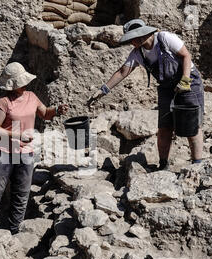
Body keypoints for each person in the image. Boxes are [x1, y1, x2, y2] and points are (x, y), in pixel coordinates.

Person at [88, 19, 205, 171]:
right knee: (164, 127)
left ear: (143, 35)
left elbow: (186, 56)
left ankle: (197, 165)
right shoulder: (138, 53)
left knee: (191, 124)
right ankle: (163, 165)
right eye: (130, 40)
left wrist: (185, 81)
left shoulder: (165, 39)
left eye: (133, 39)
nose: (132, 43)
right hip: (166, 87)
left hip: (188, 80)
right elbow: (123, 71)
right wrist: (103, 89)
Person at [0, 62, 68, 239]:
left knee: (22, 194)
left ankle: (14, 231)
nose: (24, 84)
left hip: (25, 153)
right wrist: (16, 136)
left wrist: (56, 110)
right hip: (3, 152)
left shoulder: (32, 96)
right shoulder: (4, 102)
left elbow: (44, 113)